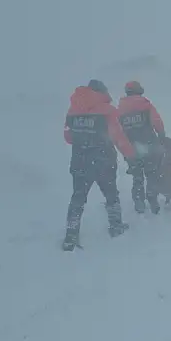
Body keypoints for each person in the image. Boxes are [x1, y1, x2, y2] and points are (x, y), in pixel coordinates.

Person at [62, 79, 135, 251]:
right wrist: (130, 156)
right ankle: (116, 226)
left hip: (80, 161)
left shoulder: (73, 111)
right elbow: (118, 137)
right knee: (111, 195)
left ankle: (71, 235)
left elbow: (68, 137)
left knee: (77, 198)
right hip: (104, 161)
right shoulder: (108, 111)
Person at [117, 80, 166, 214]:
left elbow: (118, 132)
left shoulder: (120, 109)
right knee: (152, 174)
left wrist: (125, 151)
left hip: (131, 148)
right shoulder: (145, 105)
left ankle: (139, 201)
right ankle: (152, 198)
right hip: (149, 145)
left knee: (137, 176)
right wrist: (161, 136)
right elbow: (157, 122)